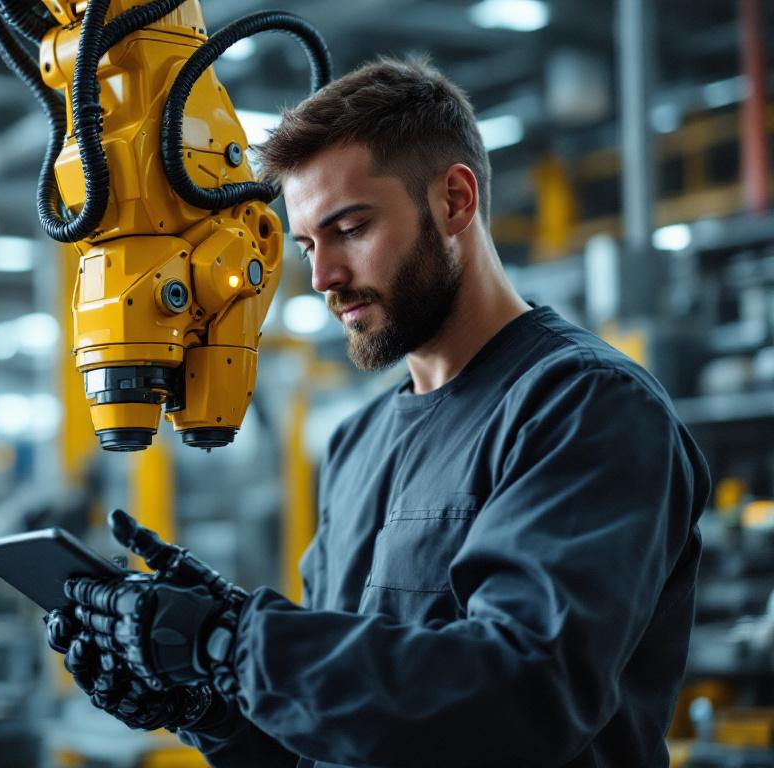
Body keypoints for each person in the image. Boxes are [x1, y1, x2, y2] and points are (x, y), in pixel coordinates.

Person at [45, 56, 711, 767]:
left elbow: (521, 697)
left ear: (455, 200)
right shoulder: (359, 442)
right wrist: (207, 703)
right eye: (307, 244)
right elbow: (346, 736)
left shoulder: (584, 408)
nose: (323, 277)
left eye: (351, 228)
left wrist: (235, 641)